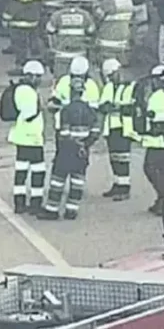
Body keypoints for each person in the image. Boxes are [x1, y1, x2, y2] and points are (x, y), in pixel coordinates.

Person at [37, 73, 100, 220]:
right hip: (82, 153)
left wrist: (73, 143)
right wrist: (85, 145)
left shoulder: (67, 110)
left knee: (57, 180)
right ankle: (71, 210)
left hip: (67, 152)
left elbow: (64, 133)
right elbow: (96, 132)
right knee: (77, 181)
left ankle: (52, 210)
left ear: (72, 91)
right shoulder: (90, 110)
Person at [8, 60, 46, 214]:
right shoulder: (28, 92)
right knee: (38, 171)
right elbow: (29, 114)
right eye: (38, 76)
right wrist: (40, 108)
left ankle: (19, 202)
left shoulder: (20, 89)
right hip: (32, 138)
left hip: (22, 136)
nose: (39, 80)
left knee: (21, 171)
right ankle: (35, 204)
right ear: (31, 76)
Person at [98, 58, 138, 200]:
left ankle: (124, 187)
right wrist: (110, 107)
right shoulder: (109, 87)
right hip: (111, 127)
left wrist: (117, 107)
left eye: (113, 74)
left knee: (123, 158)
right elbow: (102, 106)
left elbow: (132, 107)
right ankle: (117, 184)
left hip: (124, 127)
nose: (112, 78)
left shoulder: (130, 87)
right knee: (114, 157)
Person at [141, 65, 164, 215]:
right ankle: (163, 198)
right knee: (158, 170)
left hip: (161, 140)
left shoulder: (161, 96)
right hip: (160, 139)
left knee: (154, 169)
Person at [45, 0, 95, 80]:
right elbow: (91, 32)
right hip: (79, 54)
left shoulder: (57, 15)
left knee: (60, 81)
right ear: (79, 1)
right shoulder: (85, 15)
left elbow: (50, 33)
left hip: (61, 55)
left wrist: (52, 50)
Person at [49, 56, 100, 136]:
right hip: (77, 129)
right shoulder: (91, 85)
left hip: (71, 128)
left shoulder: (64, 81)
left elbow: (53, 104)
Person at [93, 0, 134, 66]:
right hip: (122, 43)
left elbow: (97, 17)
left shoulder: (109, 0)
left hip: (107, 43)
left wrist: (95, 5)